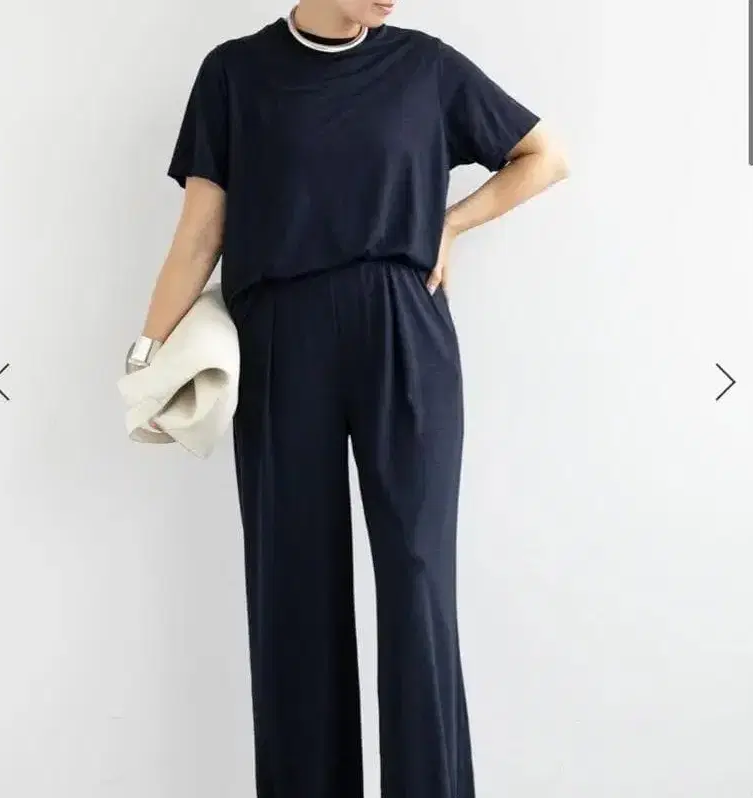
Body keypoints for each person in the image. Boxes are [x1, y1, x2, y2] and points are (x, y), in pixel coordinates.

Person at [126, 1, 569, 796]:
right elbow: (200, 234)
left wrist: (452, 224)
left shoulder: (425, 67)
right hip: (280, 338)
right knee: (292, 585)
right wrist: (146, 358)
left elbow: (544, 156)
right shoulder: (235, 74)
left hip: (405, 329)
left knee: (418, 577)